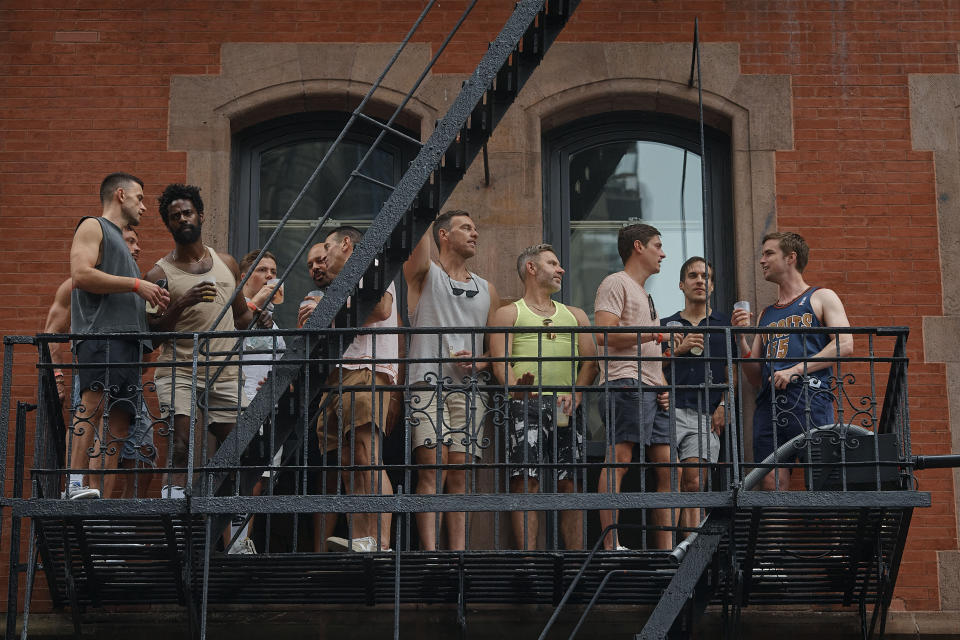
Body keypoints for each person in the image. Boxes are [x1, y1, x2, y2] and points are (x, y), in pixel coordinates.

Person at [145, 183, 259, 499]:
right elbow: (153, 336)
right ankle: (174, 509)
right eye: (174, 216)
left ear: (201, 216)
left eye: (187, 212)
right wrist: (182, 302)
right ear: (168, 224)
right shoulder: (158, 274)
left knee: (241, 447)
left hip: (224, 372)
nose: (182, 219)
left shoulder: (228, 264)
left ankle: (234, 520)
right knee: (181, 444)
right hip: (179, 370)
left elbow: (241, 317)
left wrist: (260, 319)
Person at [403, 210, 500, 551]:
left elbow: (496, 349)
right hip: (427, 385)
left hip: (470, 389)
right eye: (466, 228)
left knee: (460, 474)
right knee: (432, 468)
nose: (474, 233)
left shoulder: (487, 288)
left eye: (476, 228)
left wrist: (481, 360)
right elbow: (414, 245)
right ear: (443, 235)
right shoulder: (425, 274)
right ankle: (430, 555)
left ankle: (457, 555)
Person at [67, 173, 169, 500]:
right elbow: (81, 274)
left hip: (127, 344)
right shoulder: (93, 226)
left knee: (120, 424)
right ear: (121, 195)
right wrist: (137, 285)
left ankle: (100, 500)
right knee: (93, 406)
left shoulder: (123, 246)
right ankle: (73, 483)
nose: (144, 207)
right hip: (101, 337)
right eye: (140, 198)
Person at [489, 244, 596, 550]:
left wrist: (576, 394)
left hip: (566, 406)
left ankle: (574, 561)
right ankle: (528, 563)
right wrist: (516, 390)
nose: (561, 269)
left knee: (570, 484)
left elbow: (590, 362)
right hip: (525, 405)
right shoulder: (509, 313)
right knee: (526, 482)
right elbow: (500, 362)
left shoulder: (575, 315)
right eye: (553, 263)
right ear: (532, 269)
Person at [733, 231, 852, 491]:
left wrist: (796, 369)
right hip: (769, 404)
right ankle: (776, 532)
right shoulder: (766, 313)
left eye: (769, 253)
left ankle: (826, 530)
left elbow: (845, 343)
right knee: (769, 481)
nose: (762, 260)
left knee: (822, 478)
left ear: (790, 258)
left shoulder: (820, 296)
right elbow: (755, 376)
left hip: (810, 396)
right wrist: (741, 339)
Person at [47, 225, 158, 498]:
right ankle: (80, 488)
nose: (137, 247)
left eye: (136, 241)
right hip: (92, 364)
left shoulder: (137, 291)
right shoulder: (77, 284)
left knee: (141, 448)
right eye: (130, 241)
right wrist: (58, 377)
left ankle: (113, 511)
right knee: (94, 423)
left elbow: (146, 351)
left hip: (128, 372)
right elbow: (51, 333)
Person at [314, 226, 397, 552]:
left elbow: (380, 309)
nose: (322, 255)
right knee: (349, 462)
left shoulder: (371, 266)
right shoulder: (337, 286)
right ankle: (361, 538)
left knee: (367, 455)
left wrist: (325, 309)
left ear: (346, 244)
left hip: (367, 369)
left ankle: (380, 541)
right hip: (337, 375)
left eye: (327, 246)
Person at [594, 223, 670, 551]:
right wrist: (653, 334)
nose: (663, 253)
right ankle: (611, 545)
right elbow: (604, 334)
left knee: (668, 467)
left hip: (653, 386)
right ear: (638, 246)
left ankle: (667, 549)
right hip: (625, 380)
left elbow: (650, 349)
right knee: (619, 460)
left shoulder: (647, 294)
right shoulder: (616, 282)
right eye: (657, 245)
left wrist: (663, 384)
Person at [654, 257, 736, 537]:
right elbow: (650, 367)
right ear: (681, 284)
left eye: (706, 277)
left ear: (711, 286)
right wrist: (679, 348)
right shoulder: (666, 325)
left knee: (695, 481)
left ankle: (690, 554)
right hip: (667, 411)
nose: (700, 280)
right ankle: (667, 555)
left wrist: (724, 404)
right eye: (693, 276)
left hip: (705, 412)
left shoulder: (724, 325)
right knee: (668, 482)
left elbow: (731, 372)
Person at [229, 248, 287, 554]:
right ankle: (232, 544)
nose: (269, 276)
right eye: (262, 270)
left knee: (260, 483)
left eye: (273, 272)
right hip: (237, 406)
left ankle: (242, 541)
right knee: (241, 478)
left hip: (269, 412)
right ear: (243, 278)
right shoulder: (234, 313)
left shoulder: (274, 325)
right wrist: (256, 303)